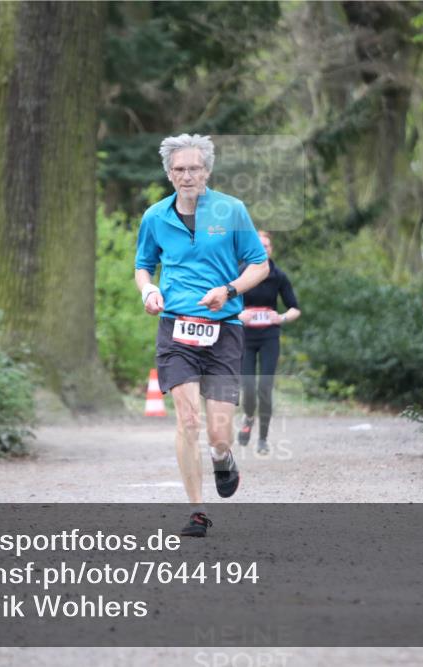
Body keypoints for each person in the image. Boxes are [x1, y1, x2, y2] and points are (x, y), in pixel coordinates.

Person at [134, 134, 269, 538]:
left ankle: (223, 457)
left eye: (194, 168)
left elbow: (259, 266)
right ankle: (197, 511)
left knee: (218, 431)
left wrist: (228, 290)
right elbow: (144, 266)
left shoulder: (232, 210)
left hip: (224, 330)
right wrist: (149, 290)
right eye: (179, 169)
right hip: (175, 328)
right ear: (169, 174)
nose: (187, 175)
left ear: (207, 170)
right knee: (188, 419)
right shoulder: (155, 216)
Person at [236, 231, 301, 454]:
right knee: (247, 387)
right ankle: (248, 417)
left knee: (265, 387)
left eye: (267, 246)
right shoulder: (241, 272)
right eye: (260, 245)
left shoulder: (278, 276)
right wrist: (237, 316)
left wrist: (281, 317)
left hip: (269, 337)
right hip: (245, 337)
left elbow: (295, 308)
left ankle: (262, 438)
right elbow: (225, 302)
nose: (264, 249)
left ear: (271, 250)